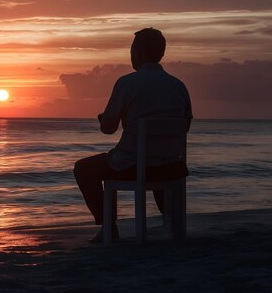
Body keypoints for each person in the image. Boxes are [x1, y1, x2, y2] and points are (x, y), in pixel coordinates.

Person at [73, 28, 193, 242]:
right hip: (170, 166)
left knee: (83, 168)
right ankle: (171, 223)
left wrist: (106, 118)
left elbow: (108, 129)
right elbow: (185, 126)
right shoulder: (179, 86)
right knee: (155, 157)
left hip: (134, 166)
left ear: (137, 53)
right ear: (160, 54)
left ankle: (109, 227)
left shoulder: (127, 83)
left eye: (132, 50)